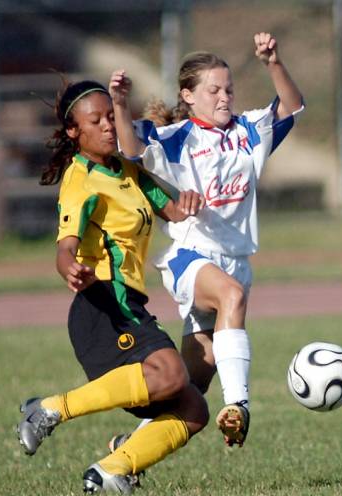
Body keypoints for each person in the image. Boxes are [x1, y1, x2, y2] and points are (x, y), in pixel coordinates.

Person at [109, 32, 304, 448]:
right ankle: (239, 406)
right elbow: (129, 148)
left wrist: (273, 62)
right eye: (213, 89)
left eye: (229, 89)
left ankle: (127, 451)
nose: (224, 97)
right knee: (231, 295)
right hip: (189, 257)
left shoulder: (250, 130)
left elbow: (293, 105)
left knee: (191, 388)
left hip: (236, 260)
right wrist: (120, 104)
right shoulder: (176, 137)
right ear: (189, 96)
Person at [16, 79, 209, 494]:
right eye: (96, 120)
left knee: (193, 408)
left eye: (110, 116)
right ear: (74, 132)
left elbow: (172, 211)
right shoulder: (79, 178)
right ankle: (48, 409)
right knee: (173, 373)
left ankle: (111, 471)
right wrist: (71, 269)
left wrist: (189, 203)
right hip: (100, 306)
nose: (107, 126)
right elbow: (64, 248)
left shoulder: (129, 167)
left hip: (128, 306)